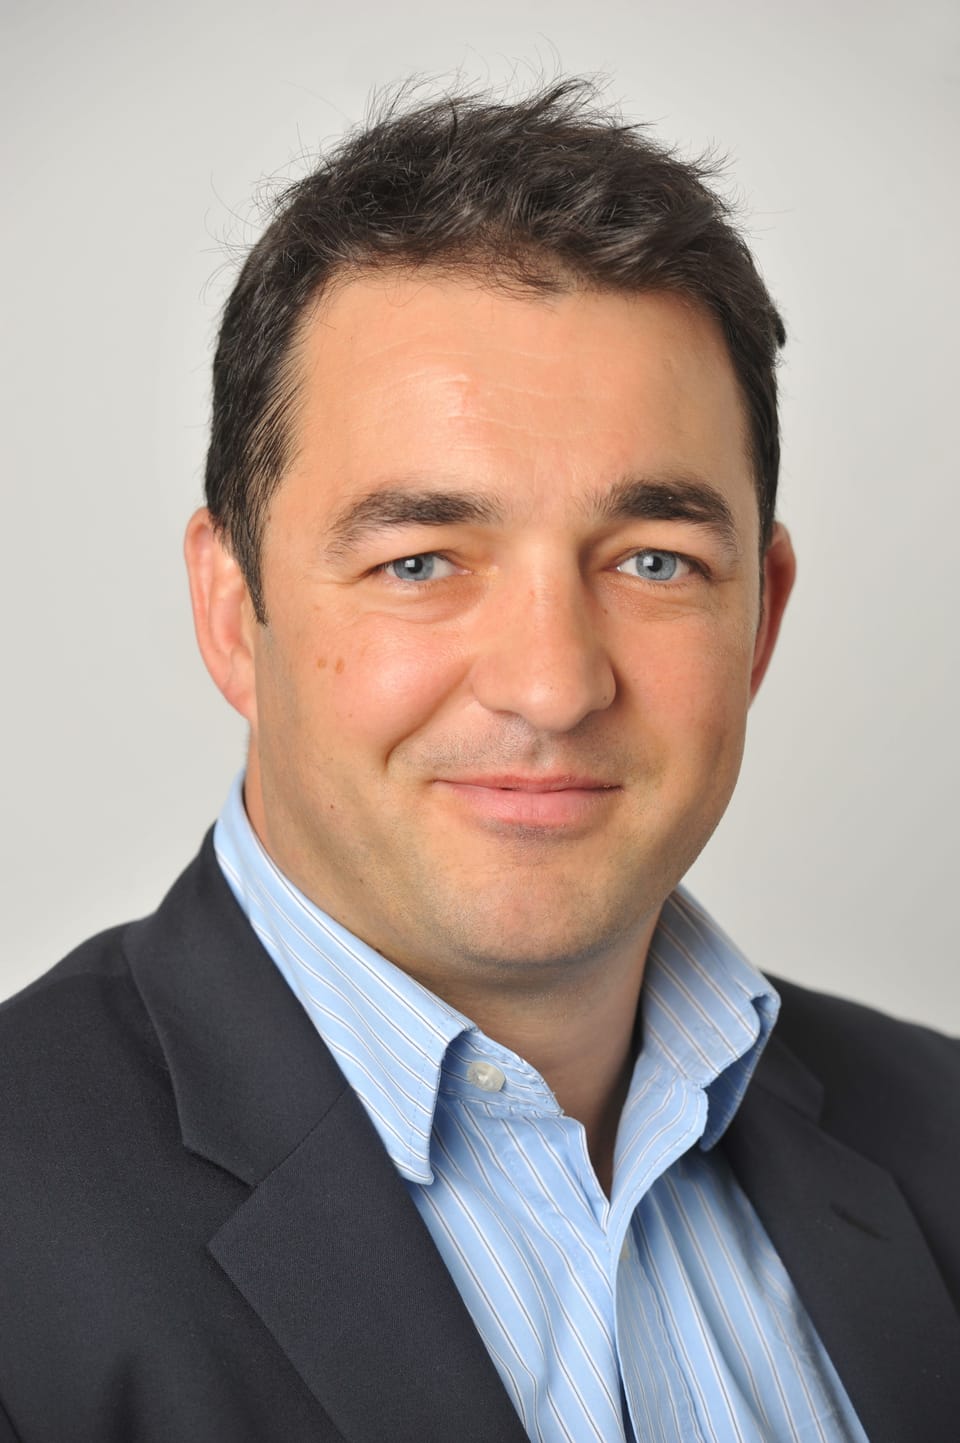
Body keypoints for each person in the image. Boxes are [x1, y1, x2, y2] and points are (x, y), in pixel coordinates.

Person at [0, 78, 956, 1443]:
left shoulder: (940, 1132)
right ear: (230, 609)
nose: (553, 685)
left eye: (655, 561)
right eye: (421, 561)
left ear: (762, 615)